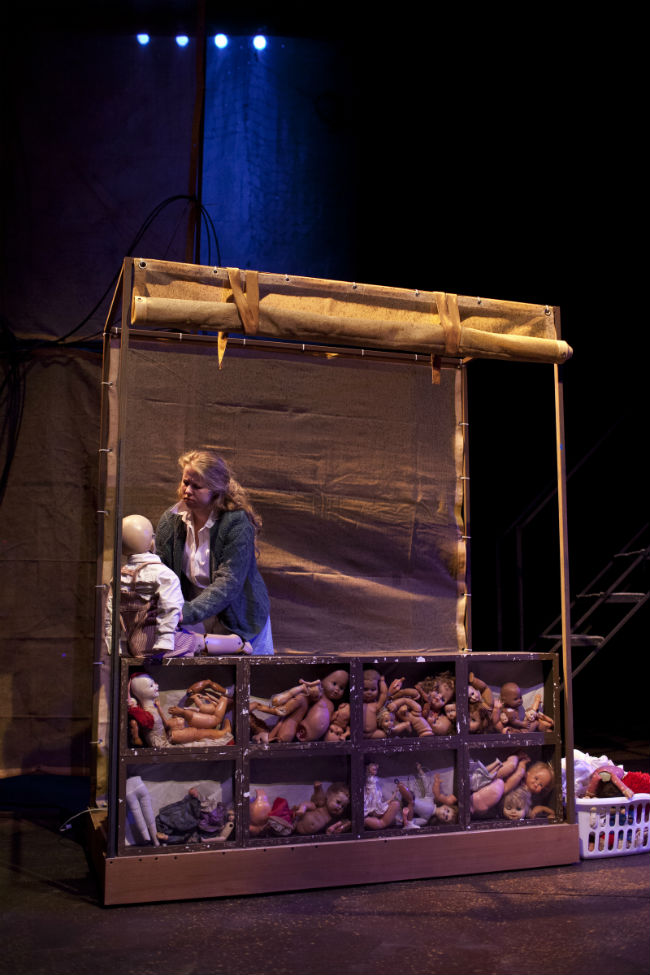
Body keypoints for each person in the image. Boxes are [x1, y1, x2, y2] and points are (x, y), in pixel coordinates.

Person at [155, 449, 273, 654]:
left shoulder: (235, 522)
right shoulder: (171, 520)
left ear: (215, 490)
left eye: (196, 486)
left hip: (240, 614)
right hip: (194, 614)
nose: (187, 490)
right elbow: (163, 571)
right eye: (185, 482)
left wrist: (185, 613)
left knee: (246, 680)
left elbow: (228, 583)